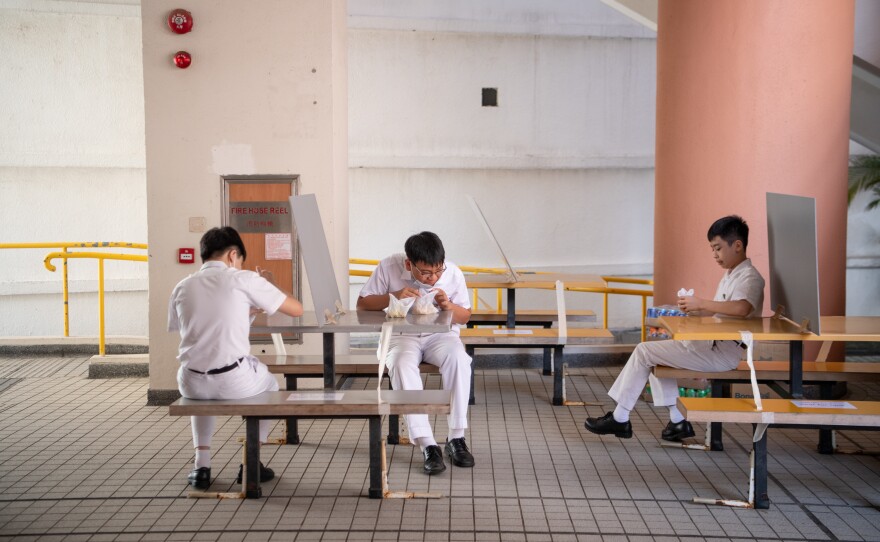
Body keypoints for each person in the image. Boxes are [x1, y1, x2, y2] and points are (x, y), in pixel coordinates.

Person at [584, 215, 764, 441]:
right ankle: (677, 420)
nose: (714, 255)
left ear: (737, 245)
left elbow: (741, 308)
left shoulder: (750, 277)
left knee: (645, 351)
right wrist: (695, 309)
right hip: (712, 346)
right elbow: (724, 310)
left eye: (718, 248)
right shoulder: (731, 275)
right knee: (658, 355)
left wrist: (702, 304)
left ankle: (621, 418)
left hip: (723, 352)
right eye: (712, 249)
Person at [168, 226, 304, 489]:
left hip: (190, 380)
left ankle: (201, 466)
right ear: (233, 255)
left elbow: (193, 327)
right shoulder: (243, 279)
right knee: (271, 386)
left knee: (201, 391)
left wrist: (244, 312)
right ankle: (250, 462)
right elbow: (295, 309)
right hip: (233, 381)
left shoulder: (182, 286)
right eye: (240, 259)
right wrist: (270, 284)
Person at [357, 231, 475, 475]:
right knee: (400, 364)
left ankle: (457, 437)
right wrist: (394, 296)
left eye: (437, 271)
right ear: (409, 264)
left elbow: (465, 316)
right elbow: (363, 303)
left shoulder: (452, 272)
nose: (432, 278)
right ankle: (427, 443)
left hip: (440, 336)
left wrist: (448, 306)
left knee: (460, 360)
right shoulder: (388, 266)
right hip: (402, 336)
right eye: (425, 273)